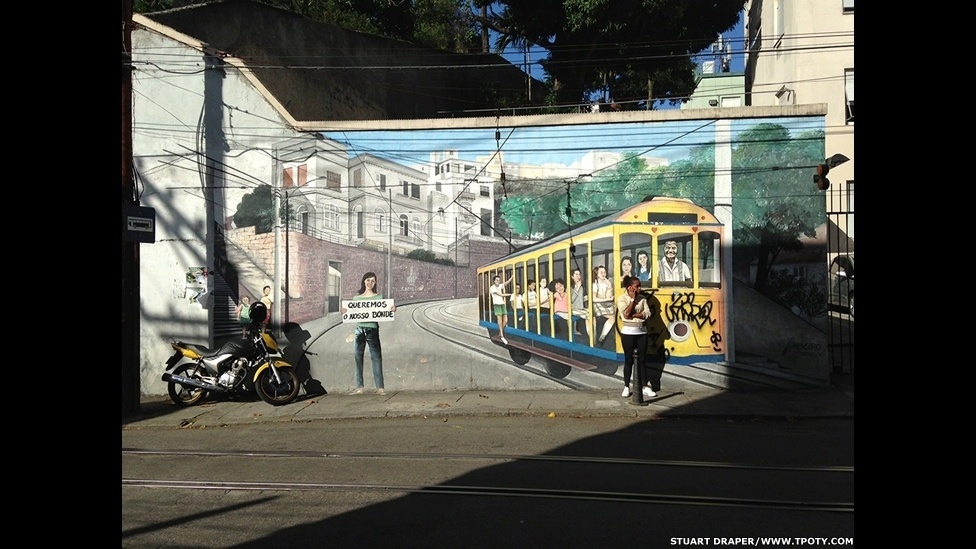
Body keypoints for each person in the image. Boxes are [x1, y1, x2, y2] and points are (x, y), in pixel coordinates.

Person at [342, 272, 395, 395]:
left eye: (372, 281)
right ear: (363, 281)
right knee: (357, 357)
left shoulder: (379, 297)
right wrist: (344, 311)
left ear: (375, 283)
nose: (370, 283)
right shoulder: (356, 299)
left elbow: (385, 310)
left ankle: (380, 388)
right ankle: (359, 387)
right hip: (359, 330)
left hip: (372, 329)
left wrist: (392, 309)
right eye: (367, 280)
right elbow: (350, 312)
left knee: (376, 358)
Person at [616, 275, 656, 399]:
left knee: (642, 360)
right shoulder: (622, 298)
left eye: (639, 286)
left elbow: (648, 314)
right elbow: (627, 315)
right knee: (628, 360)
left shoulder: (643, 298)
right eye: (637, 286)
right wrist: (633, 301)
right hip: (628, 333)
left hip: (642, 332)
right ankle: (627, 386)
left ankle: (644, 386)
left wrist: (636, 315)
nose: (639, 288)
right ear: (630, 287)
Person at [592, 265, 616, 343]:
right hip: (597, 304)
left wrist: (609, 285)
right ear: (597, 274)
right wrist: (606, 299)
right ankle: (602, 336)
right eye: (601, 272)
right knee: (612, 317)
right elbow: (594, 299)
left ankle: (604, 336)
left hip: (606, 304)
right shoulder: (595, 284)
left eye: (604, 272)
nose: (603, 274)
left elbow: (609, 297)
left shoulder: (606, 283)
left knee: (616, 315)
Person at [490, 272, 515, 344]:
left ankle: (500, 333)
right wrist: (510, 294)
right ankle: (502, 335)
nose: (498, 281)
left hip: (502, 304)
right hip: (497, 305)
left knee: (506, 320)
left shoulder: (500, 285)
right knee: (500, 320)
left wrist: (511, 278)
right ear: (494, 281)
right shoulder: (492, 288)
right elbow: (500, 294)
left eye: (499, 280)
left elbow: (506, 283)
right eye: (497, 280)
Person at [570, 268, 589, 337]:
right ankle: (590, 335)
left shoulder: (581, 287)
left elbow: (582, 298)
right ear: (572, 277)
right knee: (588, 315)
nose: (578, 276)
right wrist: (577, 288)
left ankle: (591, 334)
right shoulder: (570, 287)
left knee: (592, 313)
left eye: (579, 274)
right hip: (573, 309)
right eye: (576, 274)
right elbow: (571, 300)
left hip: (580, 308)